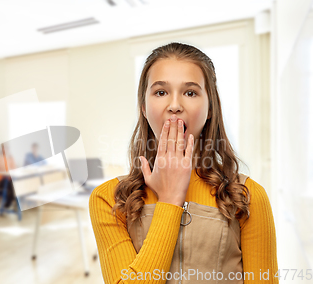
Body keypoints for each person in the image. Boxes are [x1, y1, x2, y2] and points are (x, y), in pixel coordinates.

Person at [89, 42, 278, 283]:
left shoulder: (249, 196)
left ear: (210, 108)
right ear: (144, 108)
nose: (175, 106)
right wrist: (169, 199)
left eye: (190, 92)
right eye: (160, 92)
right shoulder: (108, 199)